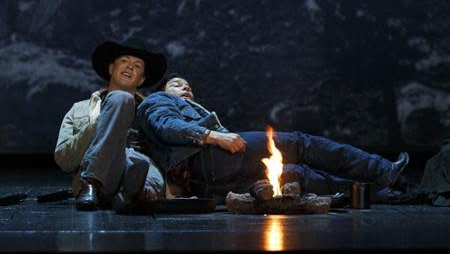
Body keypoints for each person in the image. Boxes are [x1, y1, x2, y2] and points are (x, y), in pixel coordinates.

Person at [137, 74, 410, 203]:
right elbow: (165, 125)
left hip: (210, 182)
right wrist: (214, 136)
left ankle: (385, 195)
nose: (185, 87)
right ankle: (383, 171)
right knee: (301, 144)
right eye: (177, 84)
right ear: (162, 90)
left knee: (296, 175)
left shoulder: (184, 105)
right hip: (210, 159)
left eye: (189, 86)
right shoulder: (157, 101)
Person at [54, 39, 167, 212]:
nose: (130, 67)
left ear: (142, 79)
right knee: (121, 98)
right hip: (107, 173)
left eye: (137, 65)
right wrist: (98, 125)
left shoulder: (154, 111)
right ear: (111, 69)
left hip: (141, 173)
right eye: (124, 61)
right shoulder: (80, 109)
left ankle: (130, 196)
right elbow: (64, 160)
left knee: (140, 164)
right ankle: (92, 182)